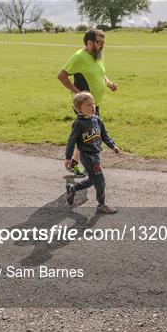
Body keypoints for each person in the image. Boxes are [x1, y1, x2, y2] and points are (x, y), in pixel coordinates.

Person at [58, 28, 118, 177]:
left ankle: (75, 163)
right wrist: (79, 93)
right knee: (90, 134)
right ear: (89, 42)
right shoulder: (79, 57)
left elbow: (101, 73)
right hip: (83, 105)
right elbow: (62, 76)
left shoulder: (98, 55)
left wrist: (109, 83)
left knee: (89, 134)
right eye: (99, 42)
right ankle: (85, 165)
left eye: (103, 42)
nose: (102, 45)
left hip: (94, 104)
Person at [65, 92, 120, 214]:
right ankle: (101, 205)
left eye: (93, 104)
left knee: (92, 180)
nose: (92, 107)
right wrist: (68, 157)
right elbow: (71, 140)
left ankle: (73, 189)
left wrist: (113, 145)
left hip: (95, 155)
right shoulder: (79, 124)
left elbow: (104, 135)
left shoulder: (97, 120)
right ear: (79, 109)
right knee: (100, 181)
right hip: (87, 156)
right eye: (88, 105)